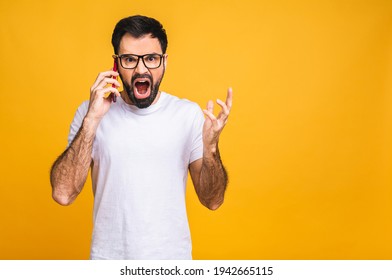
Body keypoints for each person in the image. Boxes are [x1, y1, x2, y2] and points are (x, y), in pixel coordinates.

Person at [50, 15, 233, 260]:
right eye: (129, 59)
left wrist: (211, 147)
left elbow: (212, 200)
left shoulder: (187, 115)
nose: (141, 69)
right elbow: (63, 194)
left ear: (164, 62)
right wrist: (92, 121)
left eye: (151, 58)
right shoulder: (89, 113)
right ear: (115, 64)